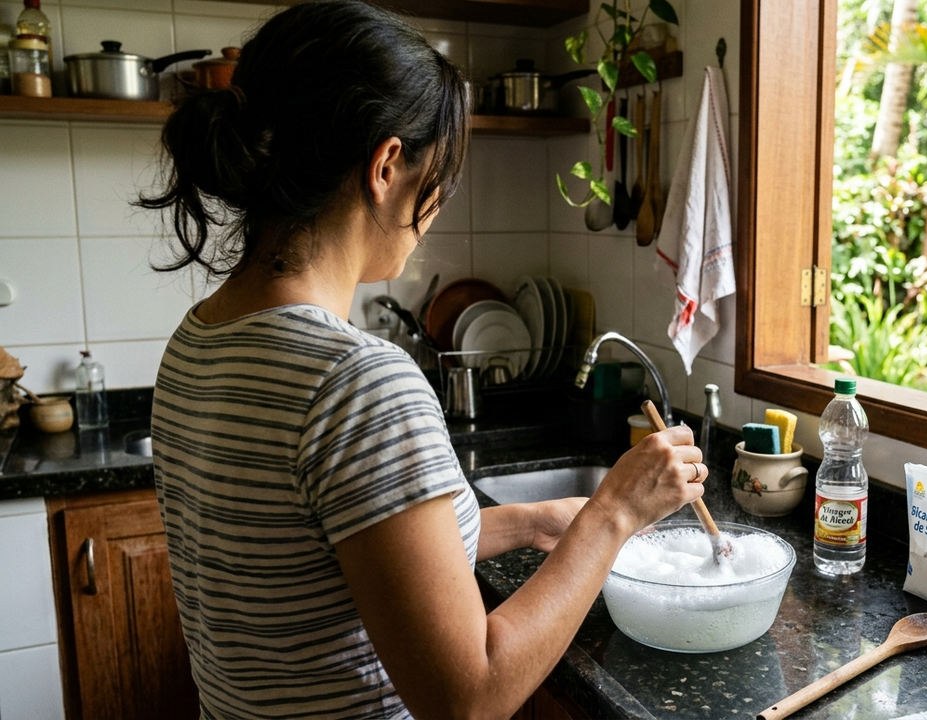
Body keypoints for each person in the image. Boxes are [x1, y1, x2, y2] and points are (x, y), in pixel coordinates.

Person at [140, 2, 707, 718]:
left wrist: (534, 523)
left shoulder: (197, 339)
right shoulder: (356, 382)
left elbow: (335, 553)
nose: (436, 208)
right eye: (440, 176)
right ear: (386, 165)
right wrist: (614, 515)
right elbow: (468, 697)